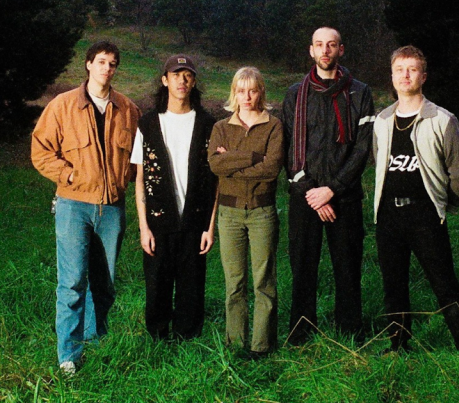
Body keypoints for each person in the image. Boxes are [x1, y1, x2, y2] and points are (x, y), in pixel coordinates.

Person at [31, 40, 141, 375]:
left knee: (104, 283)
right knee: (72, 283)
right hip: (73, 206)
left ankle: (95, 340)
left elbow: (138, 158)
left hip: (112, 208)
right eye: (101, 62)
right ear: (88, 64)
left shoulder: (128, 110)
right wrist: (69, 174)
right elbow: (40, 151)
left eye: (112, 64)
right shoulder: (62, 106)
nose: (107, 68)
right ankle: (68, 354)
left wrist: (125, 179)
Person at [372, 45, 459, 361]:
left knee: (444, 282)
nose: (405, 75)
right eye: (399, 69)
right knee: (393, 284)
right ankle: (398, 346)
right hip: (388, 215)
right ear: (392, 76)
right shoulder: (382, 120)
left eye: (412, 69)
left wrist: (445, 206)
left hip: (425, 214)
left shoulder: (441, 119)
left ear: (423, 76)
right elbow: (379, 161)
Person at [281, 27, 375, 345]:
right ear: (311, 50)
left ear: (341, 50)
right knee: (302, 268)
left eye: (331, 45)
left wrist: (332, 189)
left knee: (347, 268)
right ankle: (301, 333)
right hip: (305, 196)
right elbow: (287, 148)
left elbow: (362, 149)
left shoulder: (360, 92)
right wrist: (312, 192)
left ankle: (350, 332)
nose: (325, 50)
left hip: (344, 197)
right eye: (319, 45)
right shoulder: (295, 94)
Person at [132, 54, 218, 341]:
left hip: (195, 220)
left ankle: (188, 338)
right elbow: (141, 179)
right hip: (158, 221)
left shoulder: (208, 124)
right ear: (165, 80)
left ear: (193, 82)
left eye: (188, 75)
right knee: (157, 284)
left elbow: (216, 180)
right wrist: (144, 228)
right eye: (176, 74)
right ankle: (157, 338)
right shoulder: (148, 124)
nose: (182, 80)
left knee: (192, 285)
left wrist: (210, 227)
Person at [208, 67, 284, 357]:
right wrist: (253, 157)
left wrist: (232, 161)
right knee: (234, 283)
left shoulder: (273, 126)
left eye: (252, 90)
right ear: (234, 93)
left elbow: (271, 168)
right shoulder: (221, 127)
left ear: (261, 91)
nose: (247, 96)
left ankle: (262, 345)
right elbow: (215, 165)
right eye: (241, 91)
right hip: (229, 214)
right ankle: (236, 343)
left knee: (263, 282)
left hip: (262, 211)